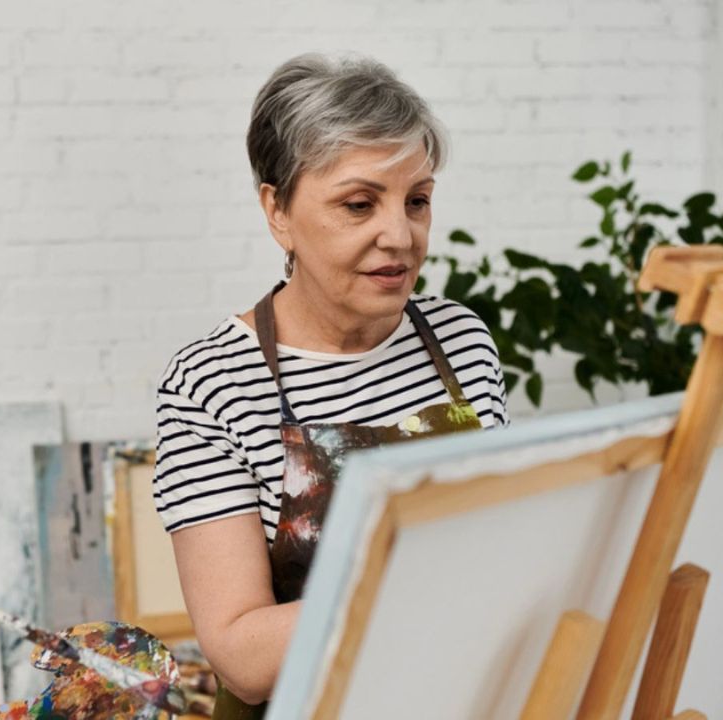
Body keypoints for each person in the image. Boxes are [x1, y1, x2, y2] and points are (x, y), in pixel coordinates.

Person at [152, 54, 510, 717]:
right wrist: (421, 585)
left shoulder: (460, 342)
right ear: (277, 211)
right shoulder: (212, 384)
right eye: (358, 204)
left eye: (418, 201)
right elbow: (242, 656)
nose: (400, 236)